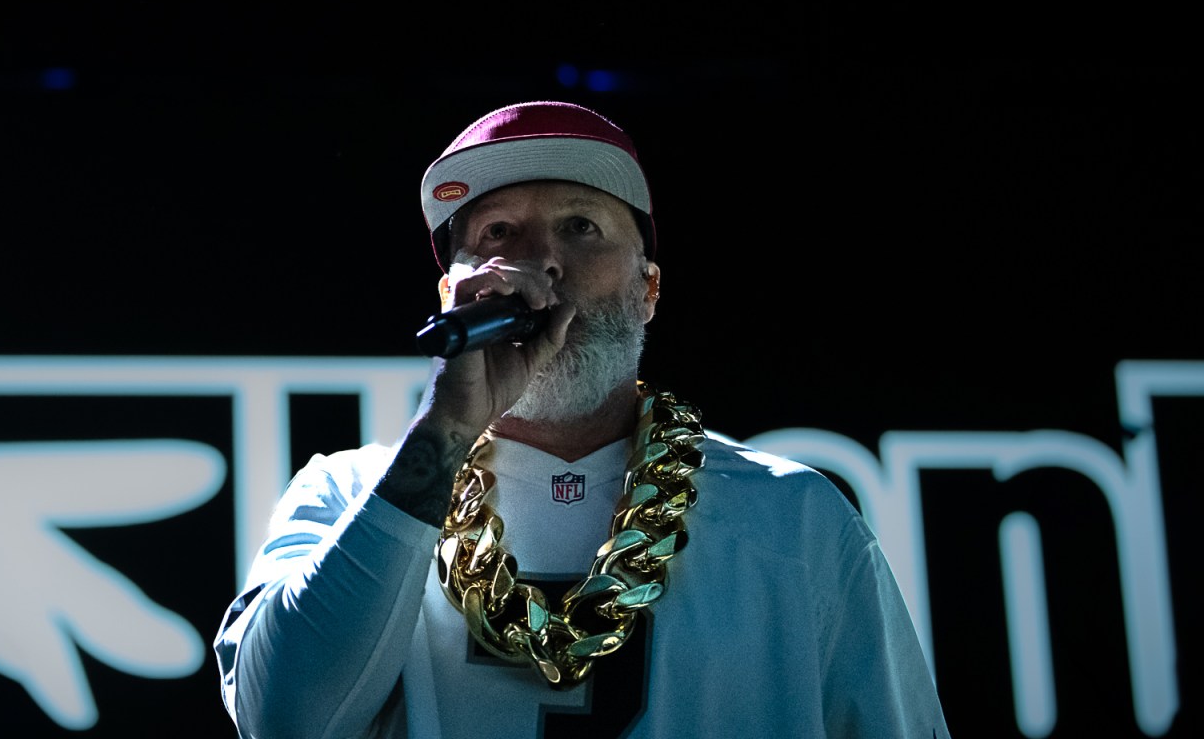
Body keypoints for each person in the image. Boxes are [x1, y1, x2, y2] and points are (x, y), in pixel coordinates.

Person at [212, 101, 951, 738]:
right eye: (498, 233)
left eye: (580, 226)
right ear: (448, 294)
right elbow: (281, 719)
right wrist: (443, 432)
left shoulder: (796, 518)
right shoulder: (346, 495)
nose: (541, 263)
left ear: (649, 290)